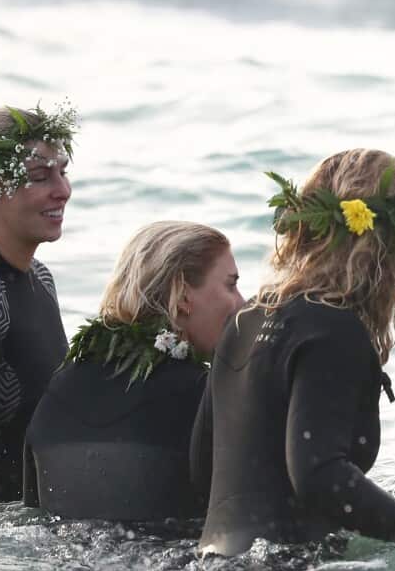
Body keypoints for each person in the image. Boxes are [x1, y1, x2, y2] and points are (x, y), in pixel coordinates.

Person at [192, 148, 395, 556]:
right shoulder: (334, 329)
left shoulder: (247, 318)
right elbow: (319, 477)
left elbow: (204, 465)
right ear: (385, 247)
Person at [22, 221, 243, 521]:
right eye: (231, 284)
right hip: (164, 561)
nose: (242, 303)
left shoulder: (60, 387)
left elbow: (33, 510)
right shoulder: (203, 395)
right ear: (183, 295)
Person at [0, 103, 76, 504]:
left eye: (63, 172)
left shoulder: (42, 279)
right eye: (38, 177)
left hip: (37, 530)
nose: (62, 190)